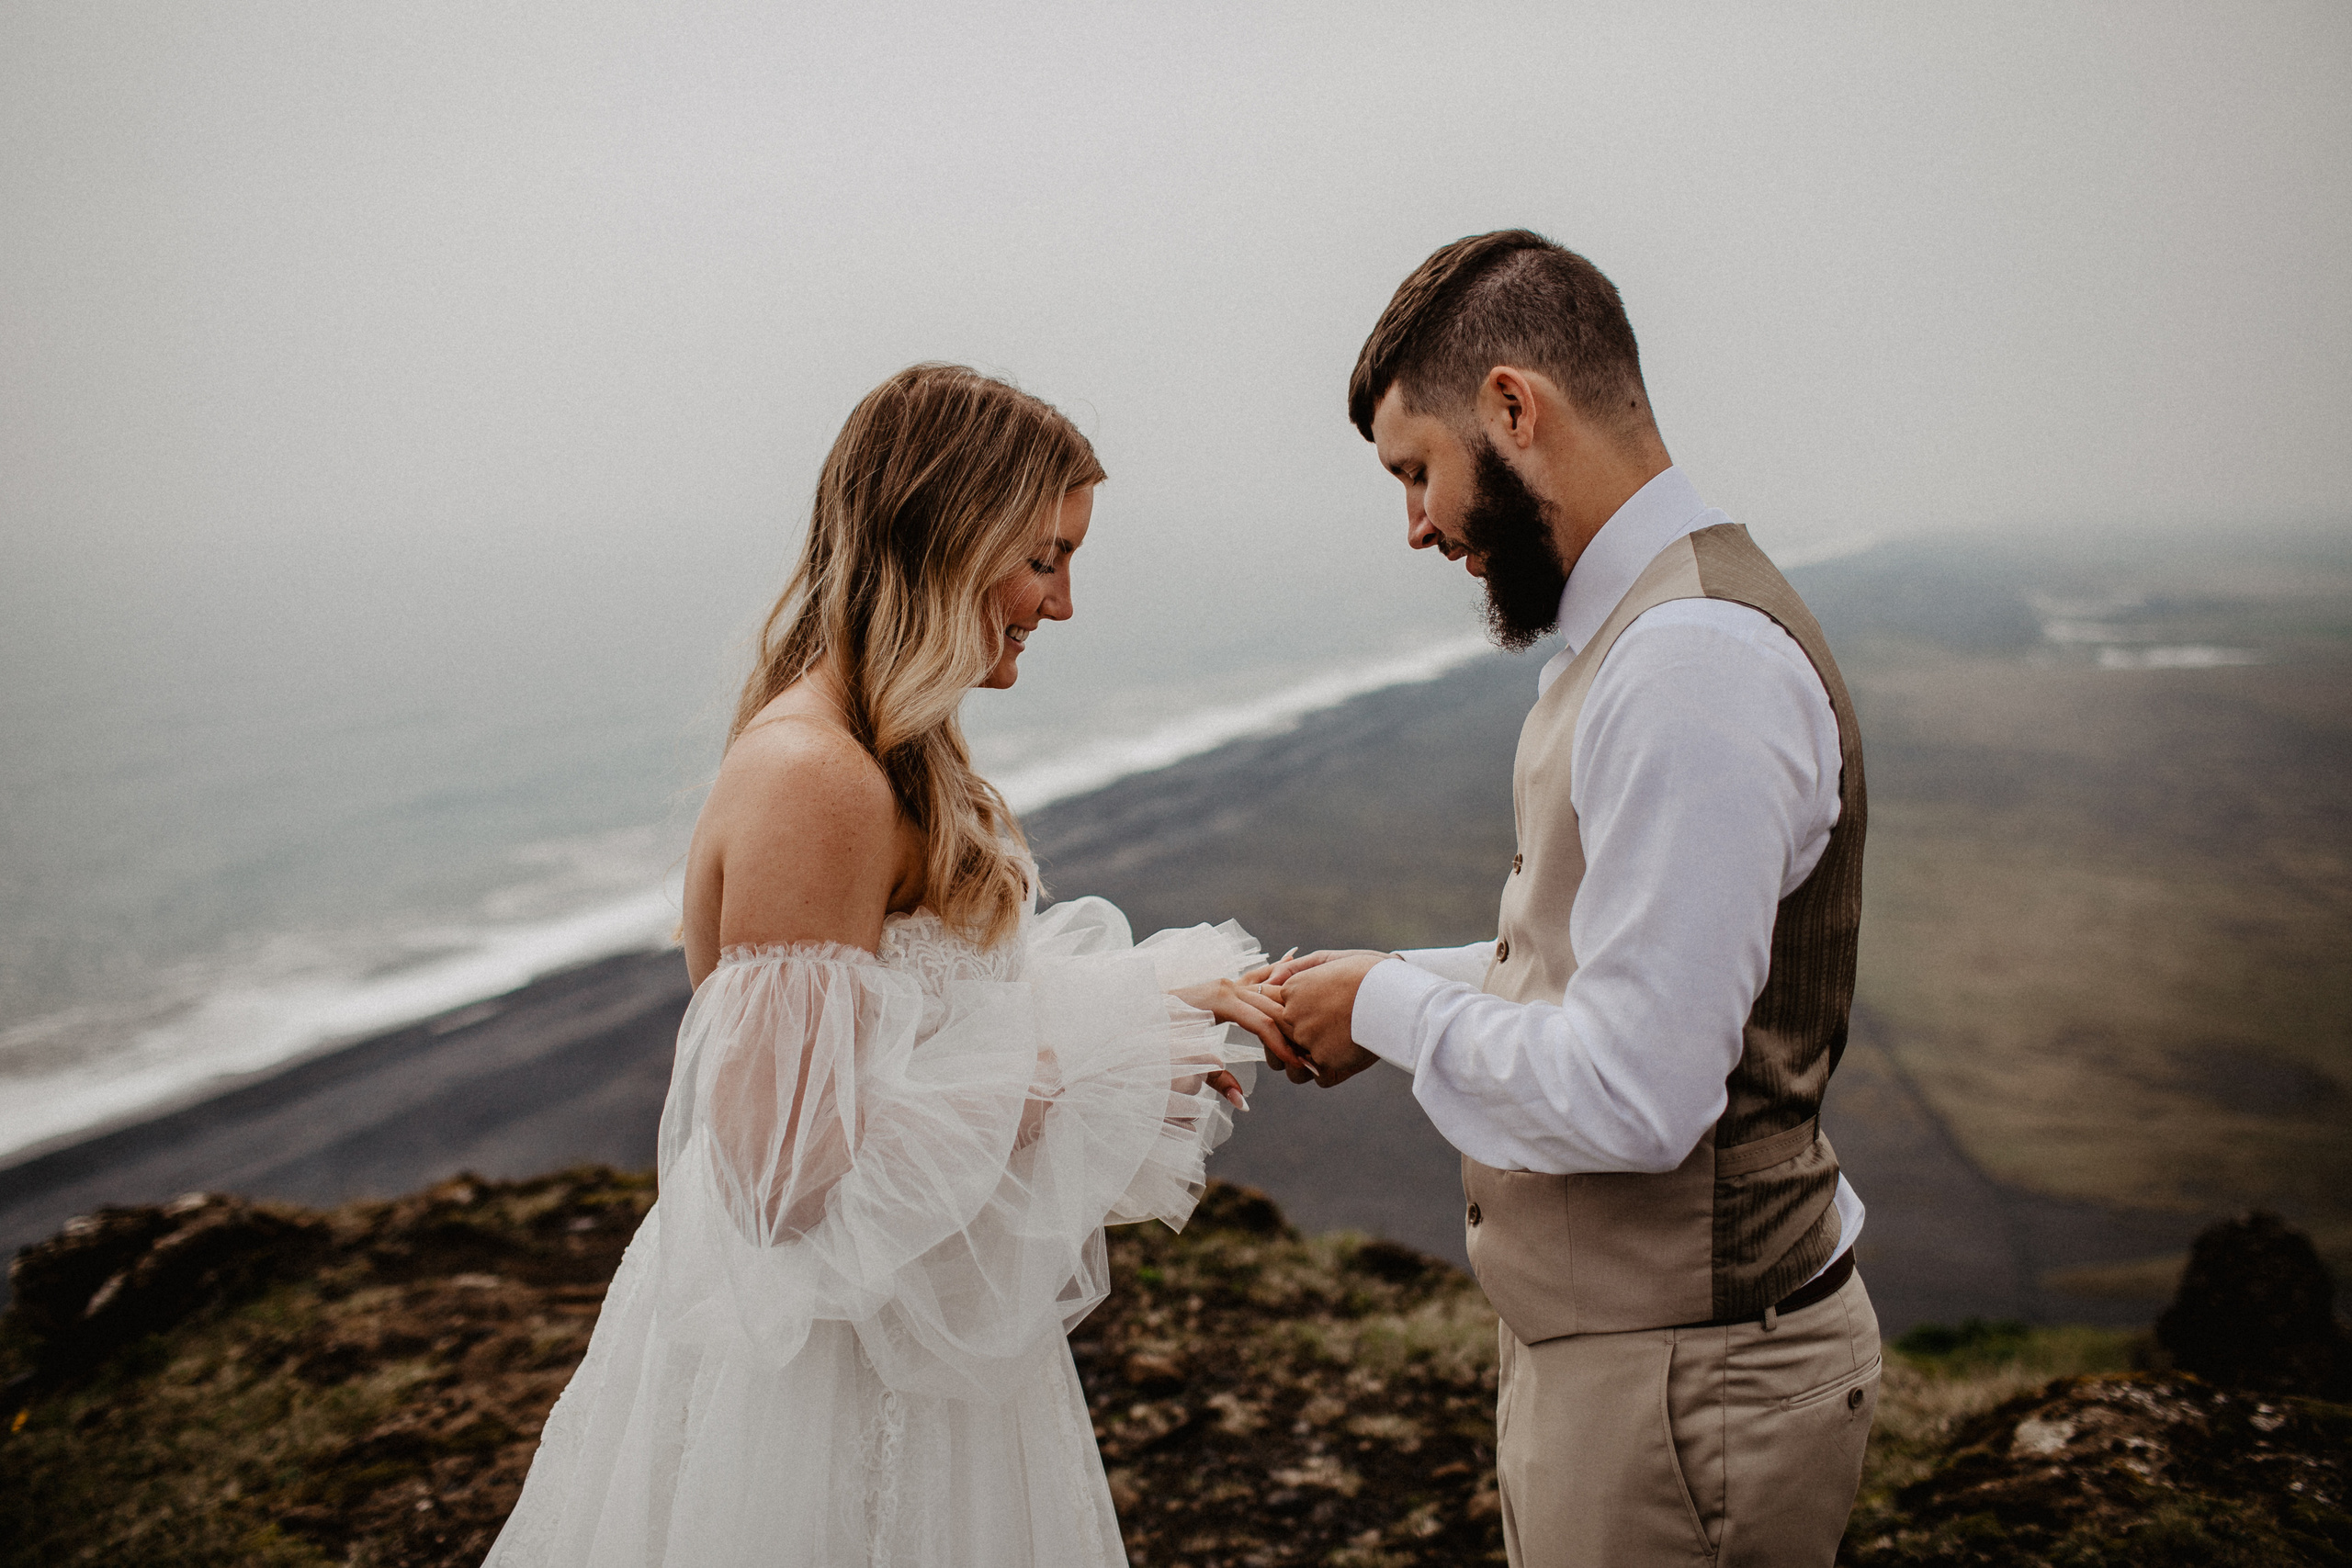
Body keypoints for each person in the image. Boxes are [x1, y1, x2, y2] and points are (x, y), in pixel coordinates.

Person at [482, 363, 1287, 1567]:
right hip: (815, 1388)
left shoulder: (890, 757)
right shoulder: (820, 781)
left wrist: (1149, 1003)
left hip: (900, 1348)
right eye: (1042, 557)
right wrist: (1085, 1077)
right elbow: (781, 1176)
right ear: (945, 546)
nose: (1061, 603)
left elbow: (926, 1024)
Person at [1261, 231, 1883, 1567]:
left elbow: (1638, 1096)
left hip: (1692, 1388)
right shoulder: (1644, 641)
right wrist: (1382, 994)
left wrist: (1386, 1001)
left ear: (1511, 409)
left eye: (1415, 471)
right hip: (1645, 1369)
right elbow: (1587, 972)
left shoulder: (1691, 665)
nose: (1417, 524)